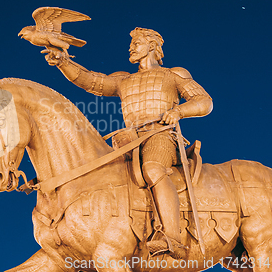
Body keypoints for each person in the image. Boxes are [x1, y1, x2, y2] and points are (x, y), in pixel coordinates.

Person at [43, 27, 213, 259]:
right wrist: (63, 61)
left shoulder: (174, 74)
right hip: (128, 140)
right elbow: (90, 80)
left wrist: (179, 111)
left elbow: (204, 101)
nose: (131, 47)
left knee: (153, 169)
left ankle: (172, 238)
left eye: (137, 43)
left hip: (160, 135)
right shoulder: (124, 79)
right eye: (131, 43)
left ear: (152, 46)